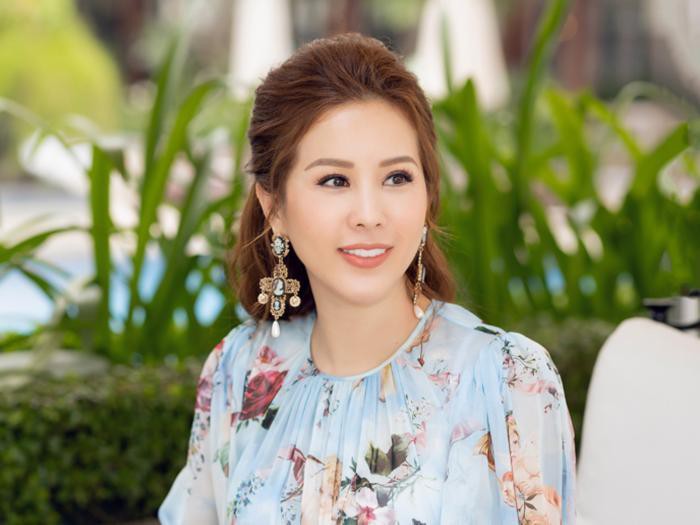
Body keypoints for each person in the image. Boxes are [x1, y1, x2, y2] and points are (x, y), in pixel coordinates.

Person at [158, 32, 576, 524]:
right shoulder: (239, 369)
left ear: (427, 195)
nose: (369, 214)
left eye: (397, 177)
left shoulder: (506, 378)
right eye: (334, 180)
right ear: (275, 207)